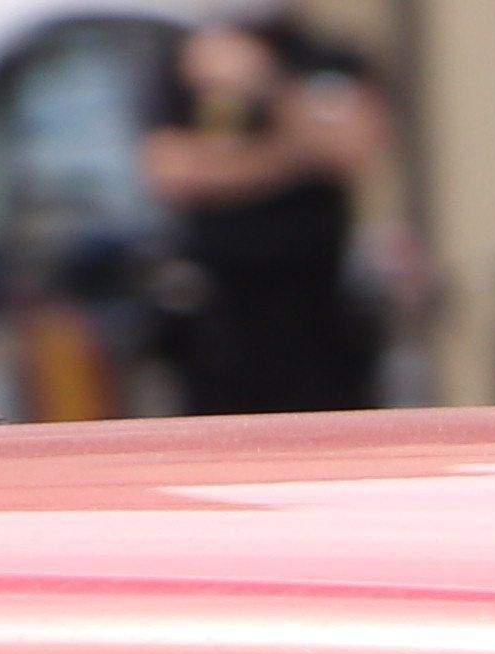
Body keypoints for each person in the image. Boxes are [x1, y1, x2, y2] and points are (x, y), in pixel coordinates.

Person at [142, 15, 396, 418]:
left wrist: (269, 87)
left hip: (319, 311)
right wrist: (296, 155)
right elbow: (170, 170)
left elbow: (354, 145)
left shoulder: (324, 59)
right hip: (220, 317)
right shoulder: (191, 60)